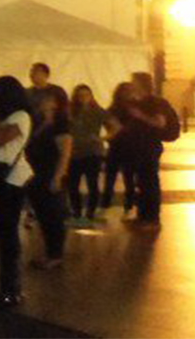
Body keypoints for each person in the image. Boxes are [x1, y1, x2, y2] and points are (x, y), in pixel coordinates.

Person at [0, 75, 34, 309]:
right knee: (2, 232)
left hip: (10, 179)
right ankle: (7, 287)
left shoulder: (20, 116)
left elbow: (0, 139)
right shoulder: (1, 117)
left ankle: (11, 289)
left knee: (8, 232)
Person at [113, 73, 175, 228]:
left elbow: (160, 123)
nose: (131, 84)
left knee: (150, 182)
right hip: (136, 147)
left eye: (134, 82)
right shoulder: (136, 102)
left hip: (149, 147)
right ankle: (143, 216)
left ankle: (152, 218)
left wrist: (140, 116)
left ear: (142, 84)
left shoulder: (155, 102)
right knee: (141, 182)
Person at [23, 83, 72, 270]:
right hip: (37, 172)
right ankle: (49, 252)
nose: (40, 101)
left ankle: (55, 254)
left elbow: (65, 151)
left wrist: (58, 176)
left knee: (53, 215)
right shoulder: (38, 121)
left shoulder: (61, 124)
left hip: (50, 172)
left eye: (46, 98)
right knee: (43, 215)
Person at [65, 84, 108, 226]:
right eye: (80, 95)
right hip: (74, 152)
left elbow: (115, 127)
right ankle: (77, 213)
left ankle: (89, 214)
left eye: (86, 95)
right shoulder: (70, 112)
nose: (83, 98)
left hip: (92, 152)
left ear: (91, 96)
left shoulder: (98, 111)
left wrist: (101, 139)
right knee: (73, 184)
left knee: (92, 183)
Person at [99, 82, 137, 218]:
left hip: (123, 146)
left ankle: (125, 205)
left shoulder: (118, 108)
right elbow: (107, 122)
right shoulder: (126, 108)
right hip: (120, 146)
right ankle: (122, 205)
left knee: (125, 177)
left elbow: (107, 122)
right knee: (118, 177)